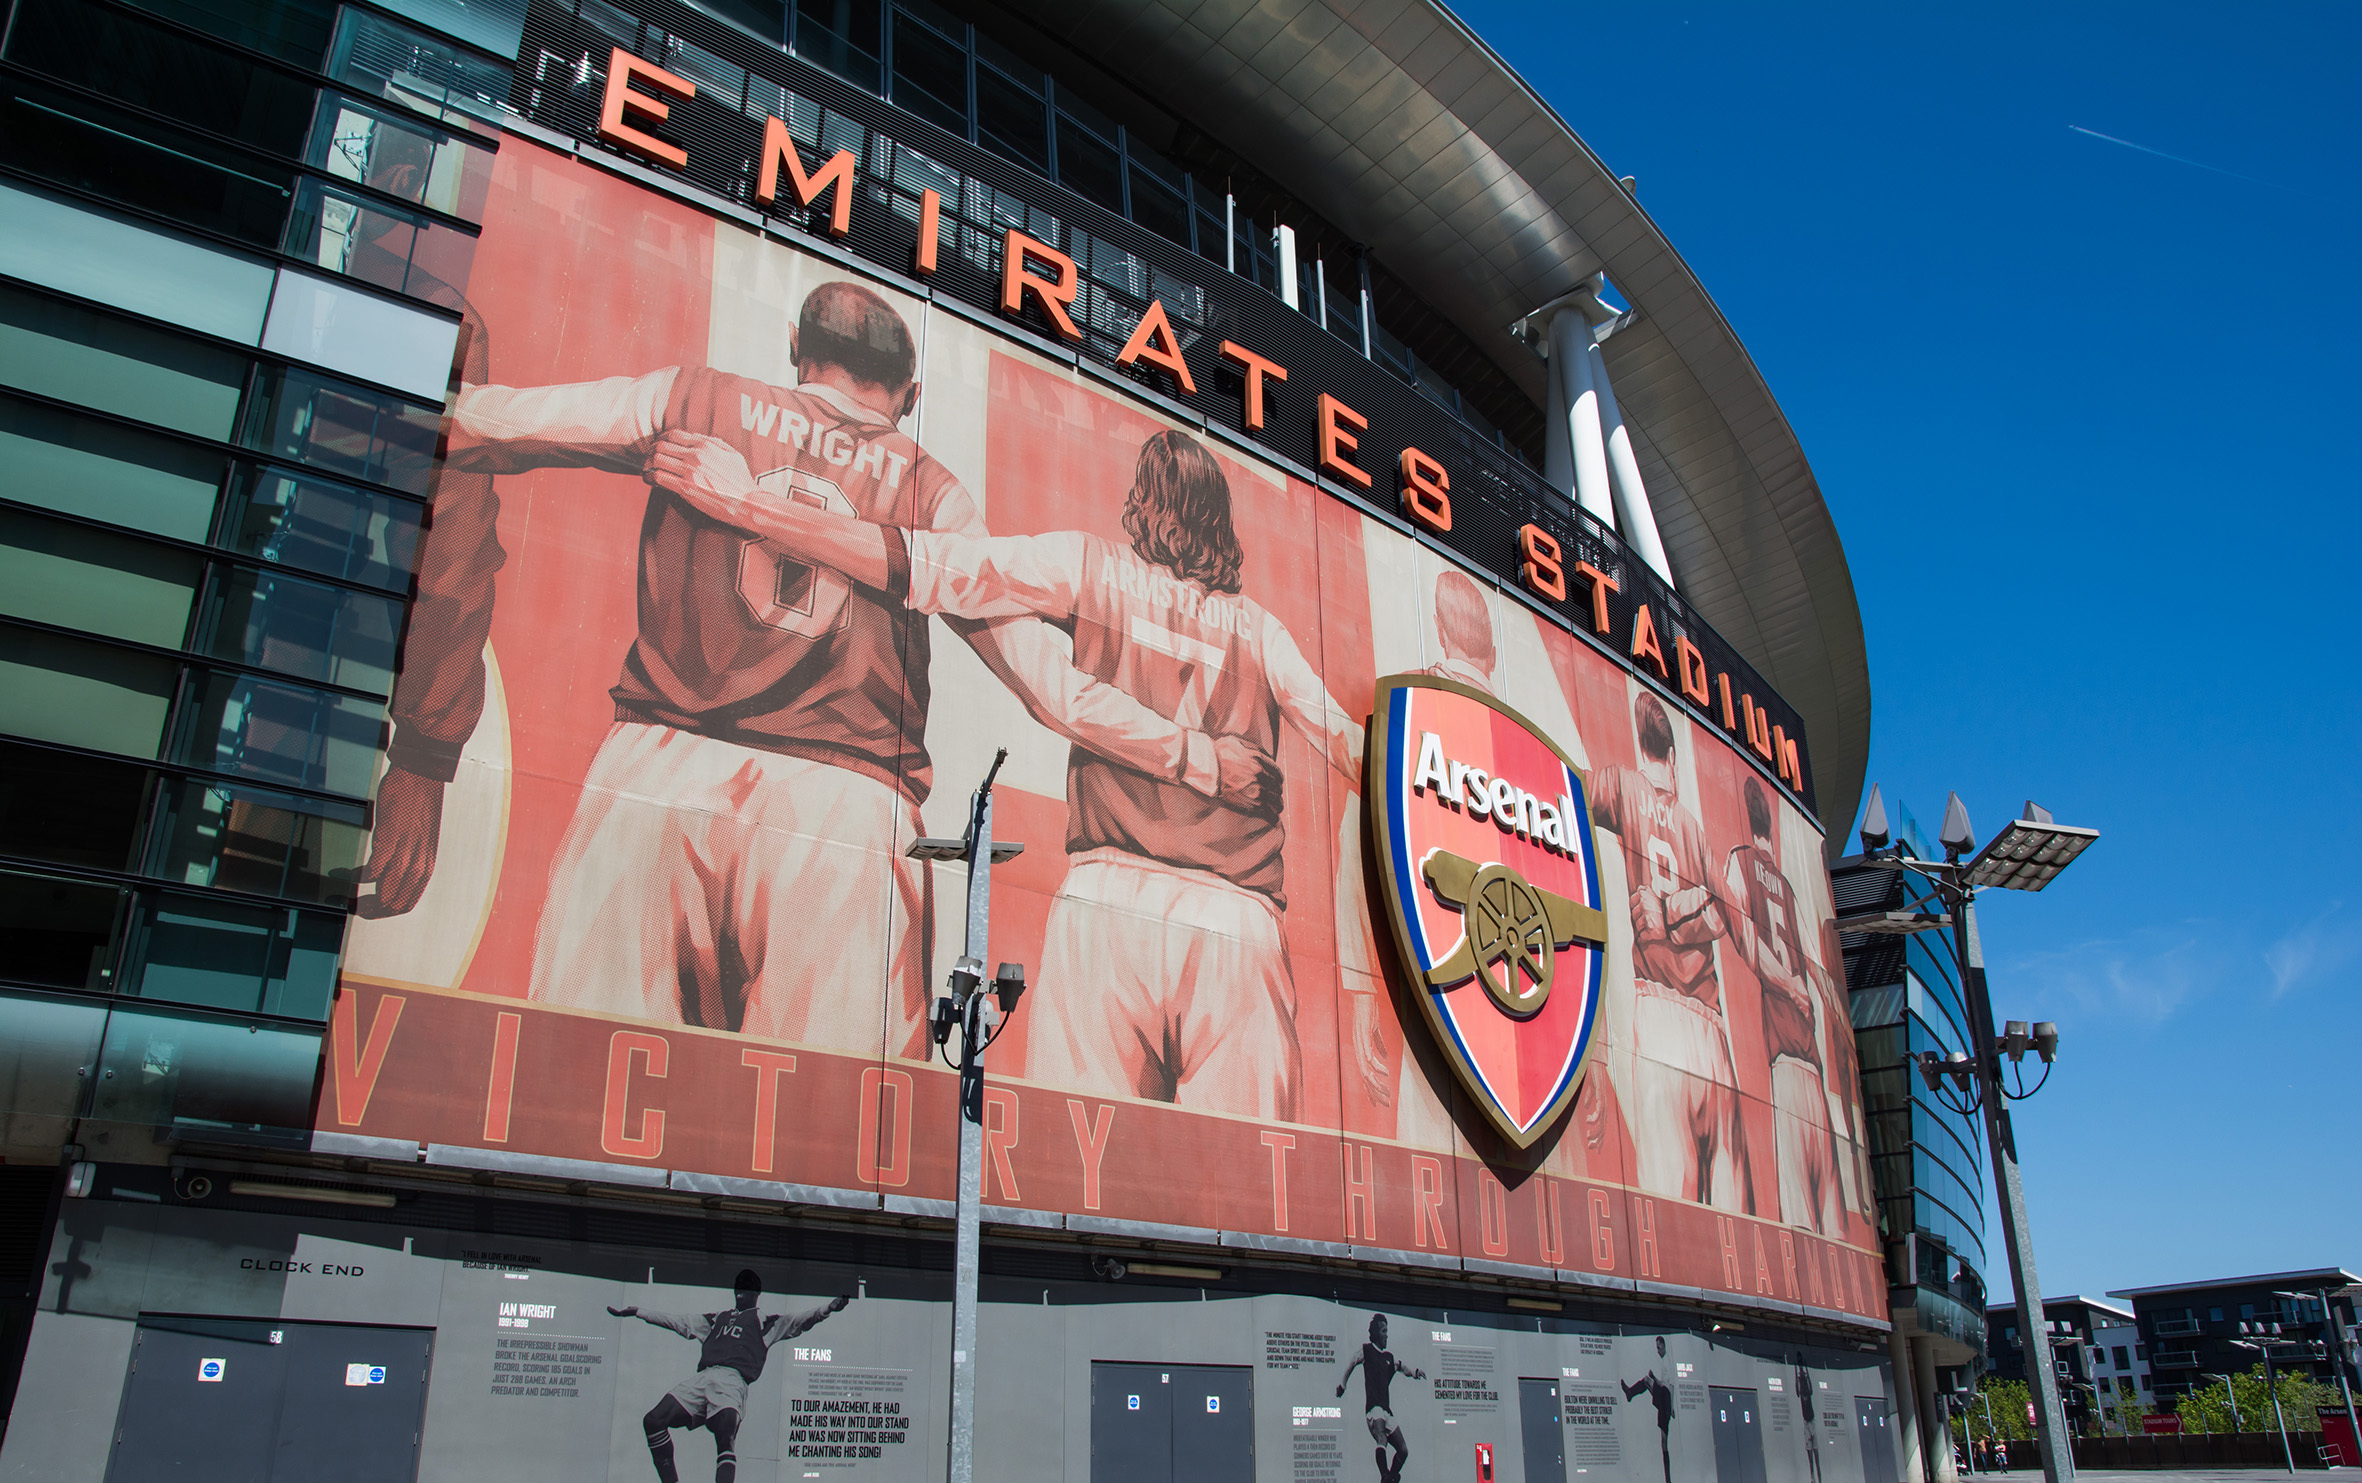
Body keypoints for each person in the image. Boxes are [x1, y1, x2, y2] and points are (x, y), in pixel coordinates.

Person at [417, 281, 1267, 1053]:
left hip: (658, 772)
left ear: (795, 347)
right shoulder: (930, 490)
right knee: (834, 1141)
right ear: (911, 394)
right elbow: (1049, 686)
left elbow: (494, 421)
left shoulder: (694, 399)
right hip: (844, 809)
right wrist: (1197, 757)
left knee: (576, 1086)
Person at [646, 425, 1358, 1119]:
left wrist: (749, 508)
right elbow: (1343, 739)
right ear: (1219, 519)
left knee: (1079, 1170)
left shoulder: (1089, 565)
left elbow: (941, 566)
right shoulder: (1261, 631)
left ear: (1144, 500)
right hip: (1236, 913)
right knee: (1246, 1177)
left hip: (1107, 893)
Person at [1587, 692, 1751, 1211]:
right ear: (1674, 756)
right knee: (1733, 1215)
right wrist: (1681, 918)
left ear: (1641, 744)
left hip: (1657, 1011)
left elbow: (1565, 787)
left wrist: (1662, 913)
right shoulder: (1696, 832)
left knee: (1670, 1208)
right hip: (1710, 1021)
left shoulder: (1622, 784)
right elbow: (1730, 909)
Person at [1724, 778, 1839, 1234]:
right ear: (1771, 823)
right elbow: (1820, 974)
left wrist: (1786, 986)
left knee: (1803, 1232)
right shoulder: (1789, 891)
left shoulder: (1739, 862)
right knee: (1830, 1226)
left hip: (1788, 1071)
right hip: (1813, 1068)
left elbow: (1738, 926)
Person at [608, 1270, 848, 1483]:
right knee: (653, 1420)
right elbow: (678, 1322)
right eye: (738, 1286)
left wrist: (828, 1308)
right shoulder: (716, 1319)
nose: (741, 1290)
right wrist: (640, 1312)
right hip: (703, 1377)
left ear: (756, 1293)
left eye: (747, 1287)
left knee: (724, 1435)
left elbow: (801, 1320)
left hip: (732, 1380)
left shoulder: (765, 1322)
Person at [1336, 1314, 1425, 1483]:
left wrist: (1415, 1372)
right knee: (1381, 1437)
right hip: (1373, 1408)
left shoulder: (1389, 1358)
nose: (1387, 1335)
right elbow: (1352, 1361)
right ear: (1376, 1333)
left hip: (1386, 1411)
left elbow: (1402, 1367)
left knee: (1403, 1450)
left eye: (1387, 1331)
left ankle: (1390, 1477)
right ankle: (1385, 1475)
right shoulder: (1367, 1351)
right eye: (1384, 1331)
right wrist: (1343, 1385)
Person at [1620, 1335, 1676, 1483]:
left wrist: (1654, 1377)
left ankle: (1630, 1392)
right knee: (1663, 1442)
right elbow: (1671, 1386)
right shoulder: (1665, 1360)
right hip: (1666, 1401)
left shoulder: (1667, 1362)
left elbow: (1667, 1385)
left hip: (1665, 1397)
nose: (1657, 1351)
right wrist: (1672, 1407)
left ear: (1663, 1346)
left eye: (1658, 1347)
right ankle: (1668, 1479)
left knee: (1646, 1379)